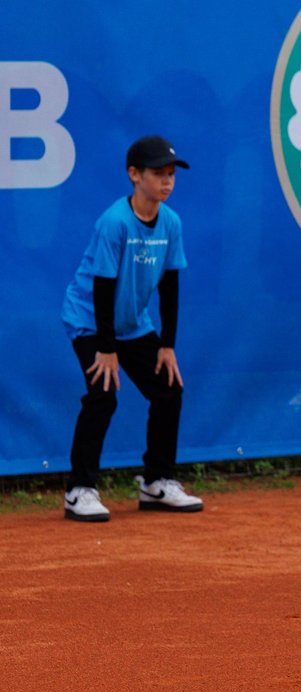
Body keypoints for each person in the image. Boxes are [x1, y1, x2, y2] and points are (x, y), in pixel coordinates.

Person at [60, 135, 204, 522]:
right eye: (158, 173)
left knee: (169, 388)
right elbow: (103, 288)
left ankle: (157, 482)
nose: (167, 181)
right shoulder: (114, 223)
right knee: (103, 393)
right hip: (90, 319)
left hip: (133, 324)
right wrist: (107, 349)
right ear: (134, 175)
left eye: (171, 173)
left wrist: (167, 345)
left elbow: (170, 286)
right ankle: (79, 490)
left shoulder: (171, 222)